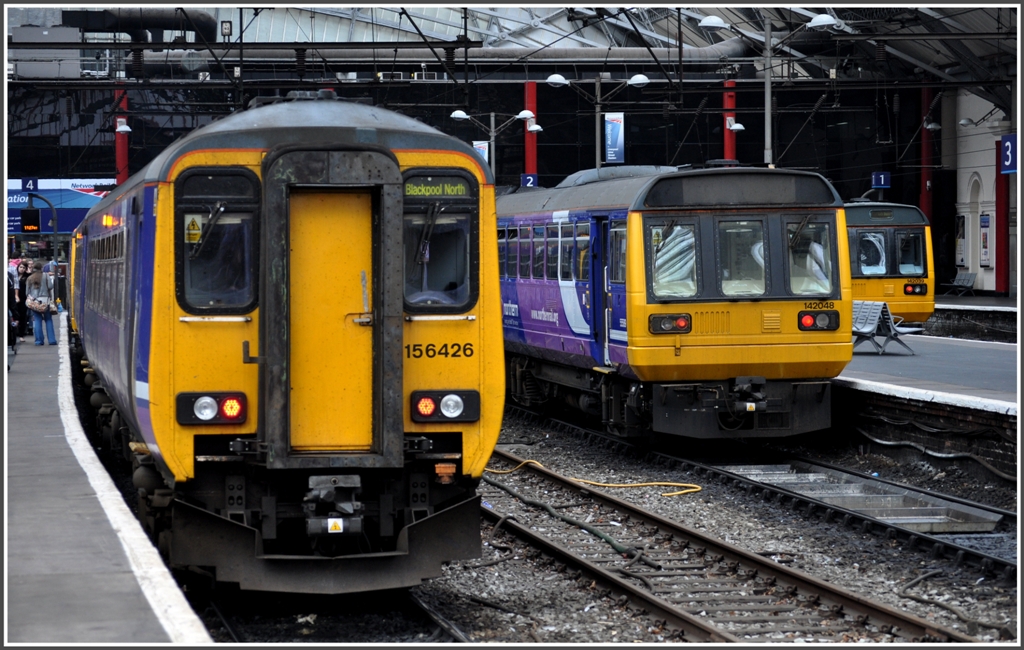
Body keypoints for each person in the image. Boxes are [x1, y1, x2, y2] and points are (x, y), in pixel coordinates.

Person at [25, 261, 57, 346]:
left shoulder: (30, 278)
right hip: (45, 301)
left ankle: (39, 341)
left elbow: (26, 292)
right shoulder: (46, 276)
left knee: (37, 320)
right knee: (48, 320)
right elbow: (50, 286)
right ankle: (52, 340)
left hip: (35, 302)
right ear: (41, 268)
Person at [15, 260, 31, 342]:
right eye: (20, 267)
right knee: (14, 316)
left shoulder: (27, 277)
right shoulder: (14, 275)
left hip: (23, 298)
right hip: (14, 299)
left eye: (23, 268)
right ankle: (14, 334)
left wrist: (29, 273)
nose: (21, 269)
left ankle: (21, 334)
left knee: (23, 317)